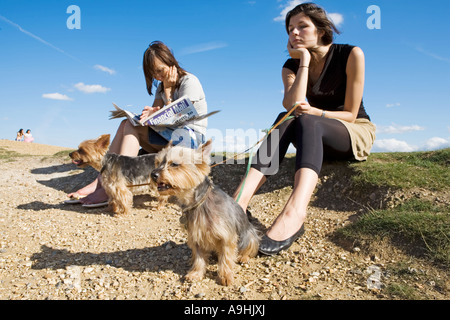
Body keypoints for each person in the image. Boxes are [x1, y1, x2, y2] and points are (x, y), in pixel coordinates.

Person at [232, 3, 376, 255]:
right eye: (290, 29)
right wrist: (305, 62)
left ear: (321, 30)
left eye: (302, 26)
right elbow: (292, 105)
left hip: (351, 132)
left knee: (306, 118)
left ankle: (295, 212)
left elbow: (351, 114)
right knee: (285, 117)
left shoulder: (351, 54)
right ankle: (238, 204)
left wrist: (317, 113)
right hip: (311, 134)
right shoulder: (291, 65)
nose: (294, 33)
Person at [68, 41, 208, 205]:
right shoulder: (161, 87)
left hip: (188, 139)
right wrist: (149, 114)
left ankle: (113, 185)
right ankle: (101, 183)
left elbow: (179, 117)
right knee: (125, 124)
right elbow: (160, 114)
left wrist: (169, 91)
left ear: (171, 62)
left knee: (130, 126)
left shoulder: (189, 82)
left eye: (160, 71)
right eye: (152, 74)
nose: (157, 77)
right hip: (169, 137)